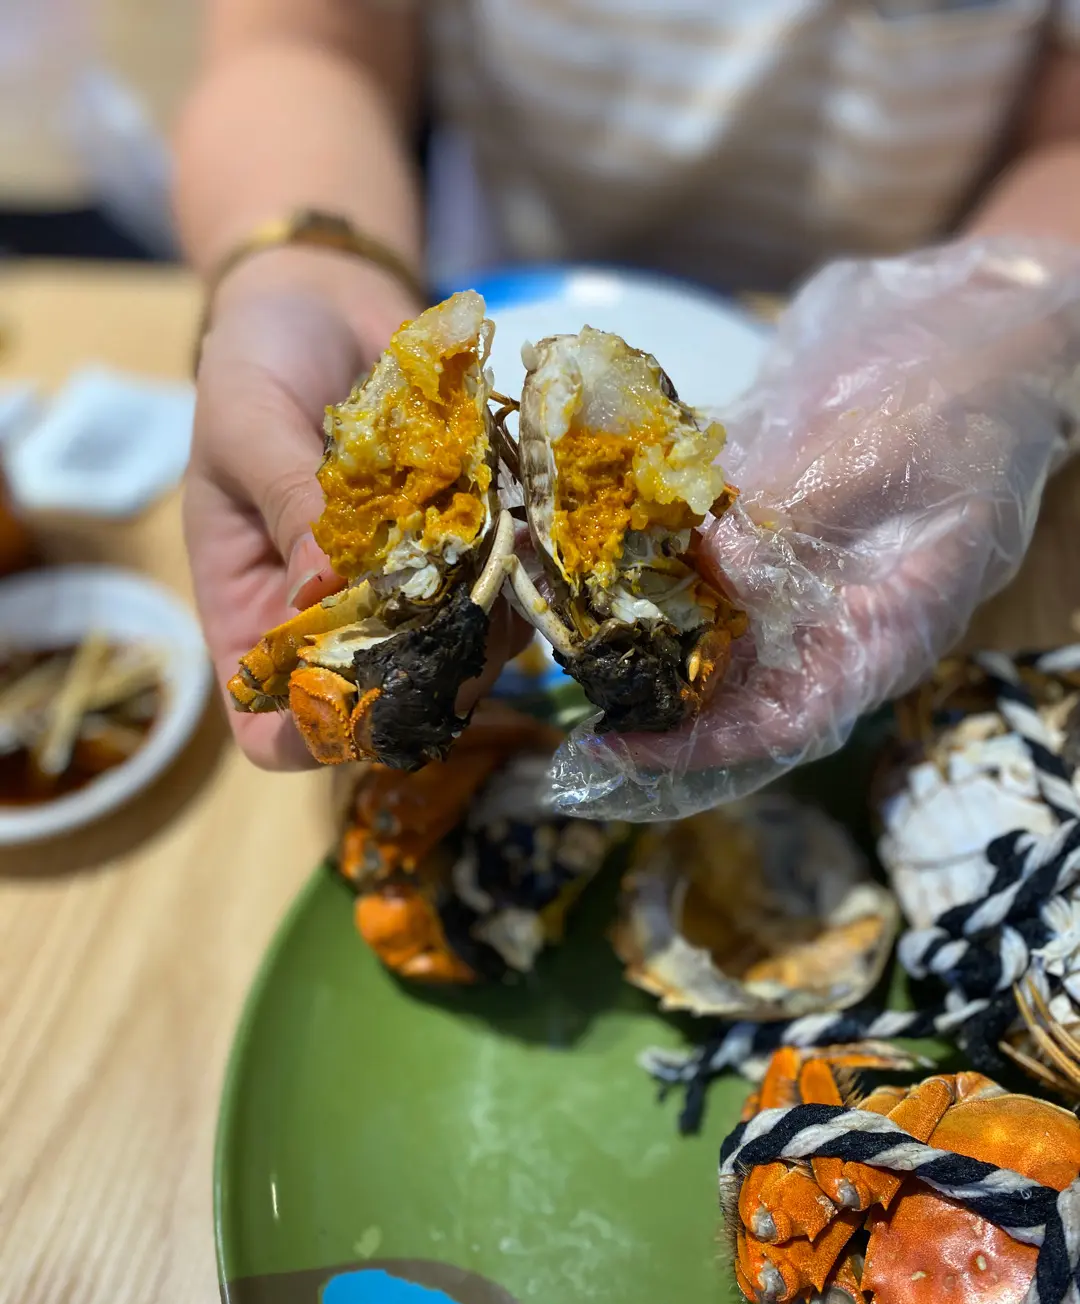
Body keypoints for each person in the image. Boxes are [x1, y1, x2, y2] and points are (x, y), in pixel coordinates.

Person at [176, 0, 1080, 808]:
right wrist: (302, 267)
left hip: (910, 300)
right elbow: (303, 37)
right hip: (472, 253)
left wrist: (997, 334)